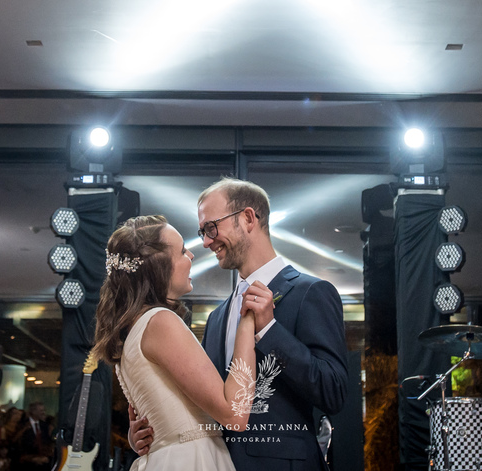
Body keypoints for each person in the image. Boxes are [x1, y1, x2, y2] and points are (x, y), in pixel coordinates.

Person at [130, 179, 348, 471]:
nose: (206, 242)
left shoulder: (311, 292)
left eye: (211, 227)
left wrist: (269, 330)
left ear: (247, 218)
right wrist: (156, 433)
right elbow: (208, 401)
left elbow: (333, 392)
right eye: (203, 232)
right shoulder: (217, 317)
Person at [93, 214, 258, 471]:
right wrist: (247, 322)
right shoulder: (160, 322)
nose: (191, 255)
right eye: (182, 251)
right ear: (160, 266)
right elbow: (235, 414)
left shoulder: (135, 328)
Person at [13, 401, 55, 471]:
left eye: (44, 410)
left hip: (43, 463)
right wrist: (32, 458)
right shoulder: (22, 425)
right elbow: (17, 444)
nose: (43, 413)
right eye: (41, 411)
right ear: (33, 411)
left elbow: (47, 442)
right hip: (27, 464)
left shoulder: (44, 425)